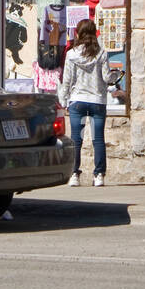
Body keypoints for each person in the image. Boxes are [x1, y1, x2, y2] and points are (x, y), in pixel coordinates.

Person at [58, 18, 117, 187]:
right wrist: (115, 75)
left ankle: (74, 174)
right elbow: (107, 77)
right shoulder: (101, 53)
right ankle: (99, 175)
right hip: (97, 100)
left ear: (78, 33)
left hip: (78, 100)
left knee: (77, 139)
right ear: (94, 33)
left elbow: (67, 80)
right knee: (98, 139)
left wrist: (63, 99)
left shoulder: (71, 54)